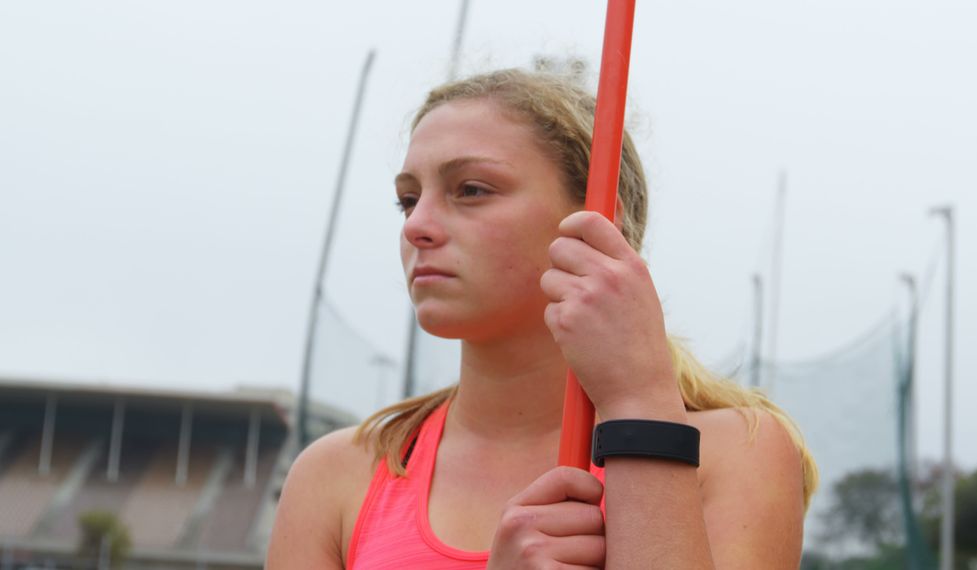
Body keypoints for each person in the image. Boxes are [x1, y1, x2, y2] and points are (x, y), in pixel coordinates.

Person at [266, 68, 818, 569]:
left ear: (595, 224)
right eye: (408, 200)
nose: (417, 226)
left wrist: (638, 402)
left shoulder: (733, 453)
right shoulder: (336, 477)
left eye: (471, 190)